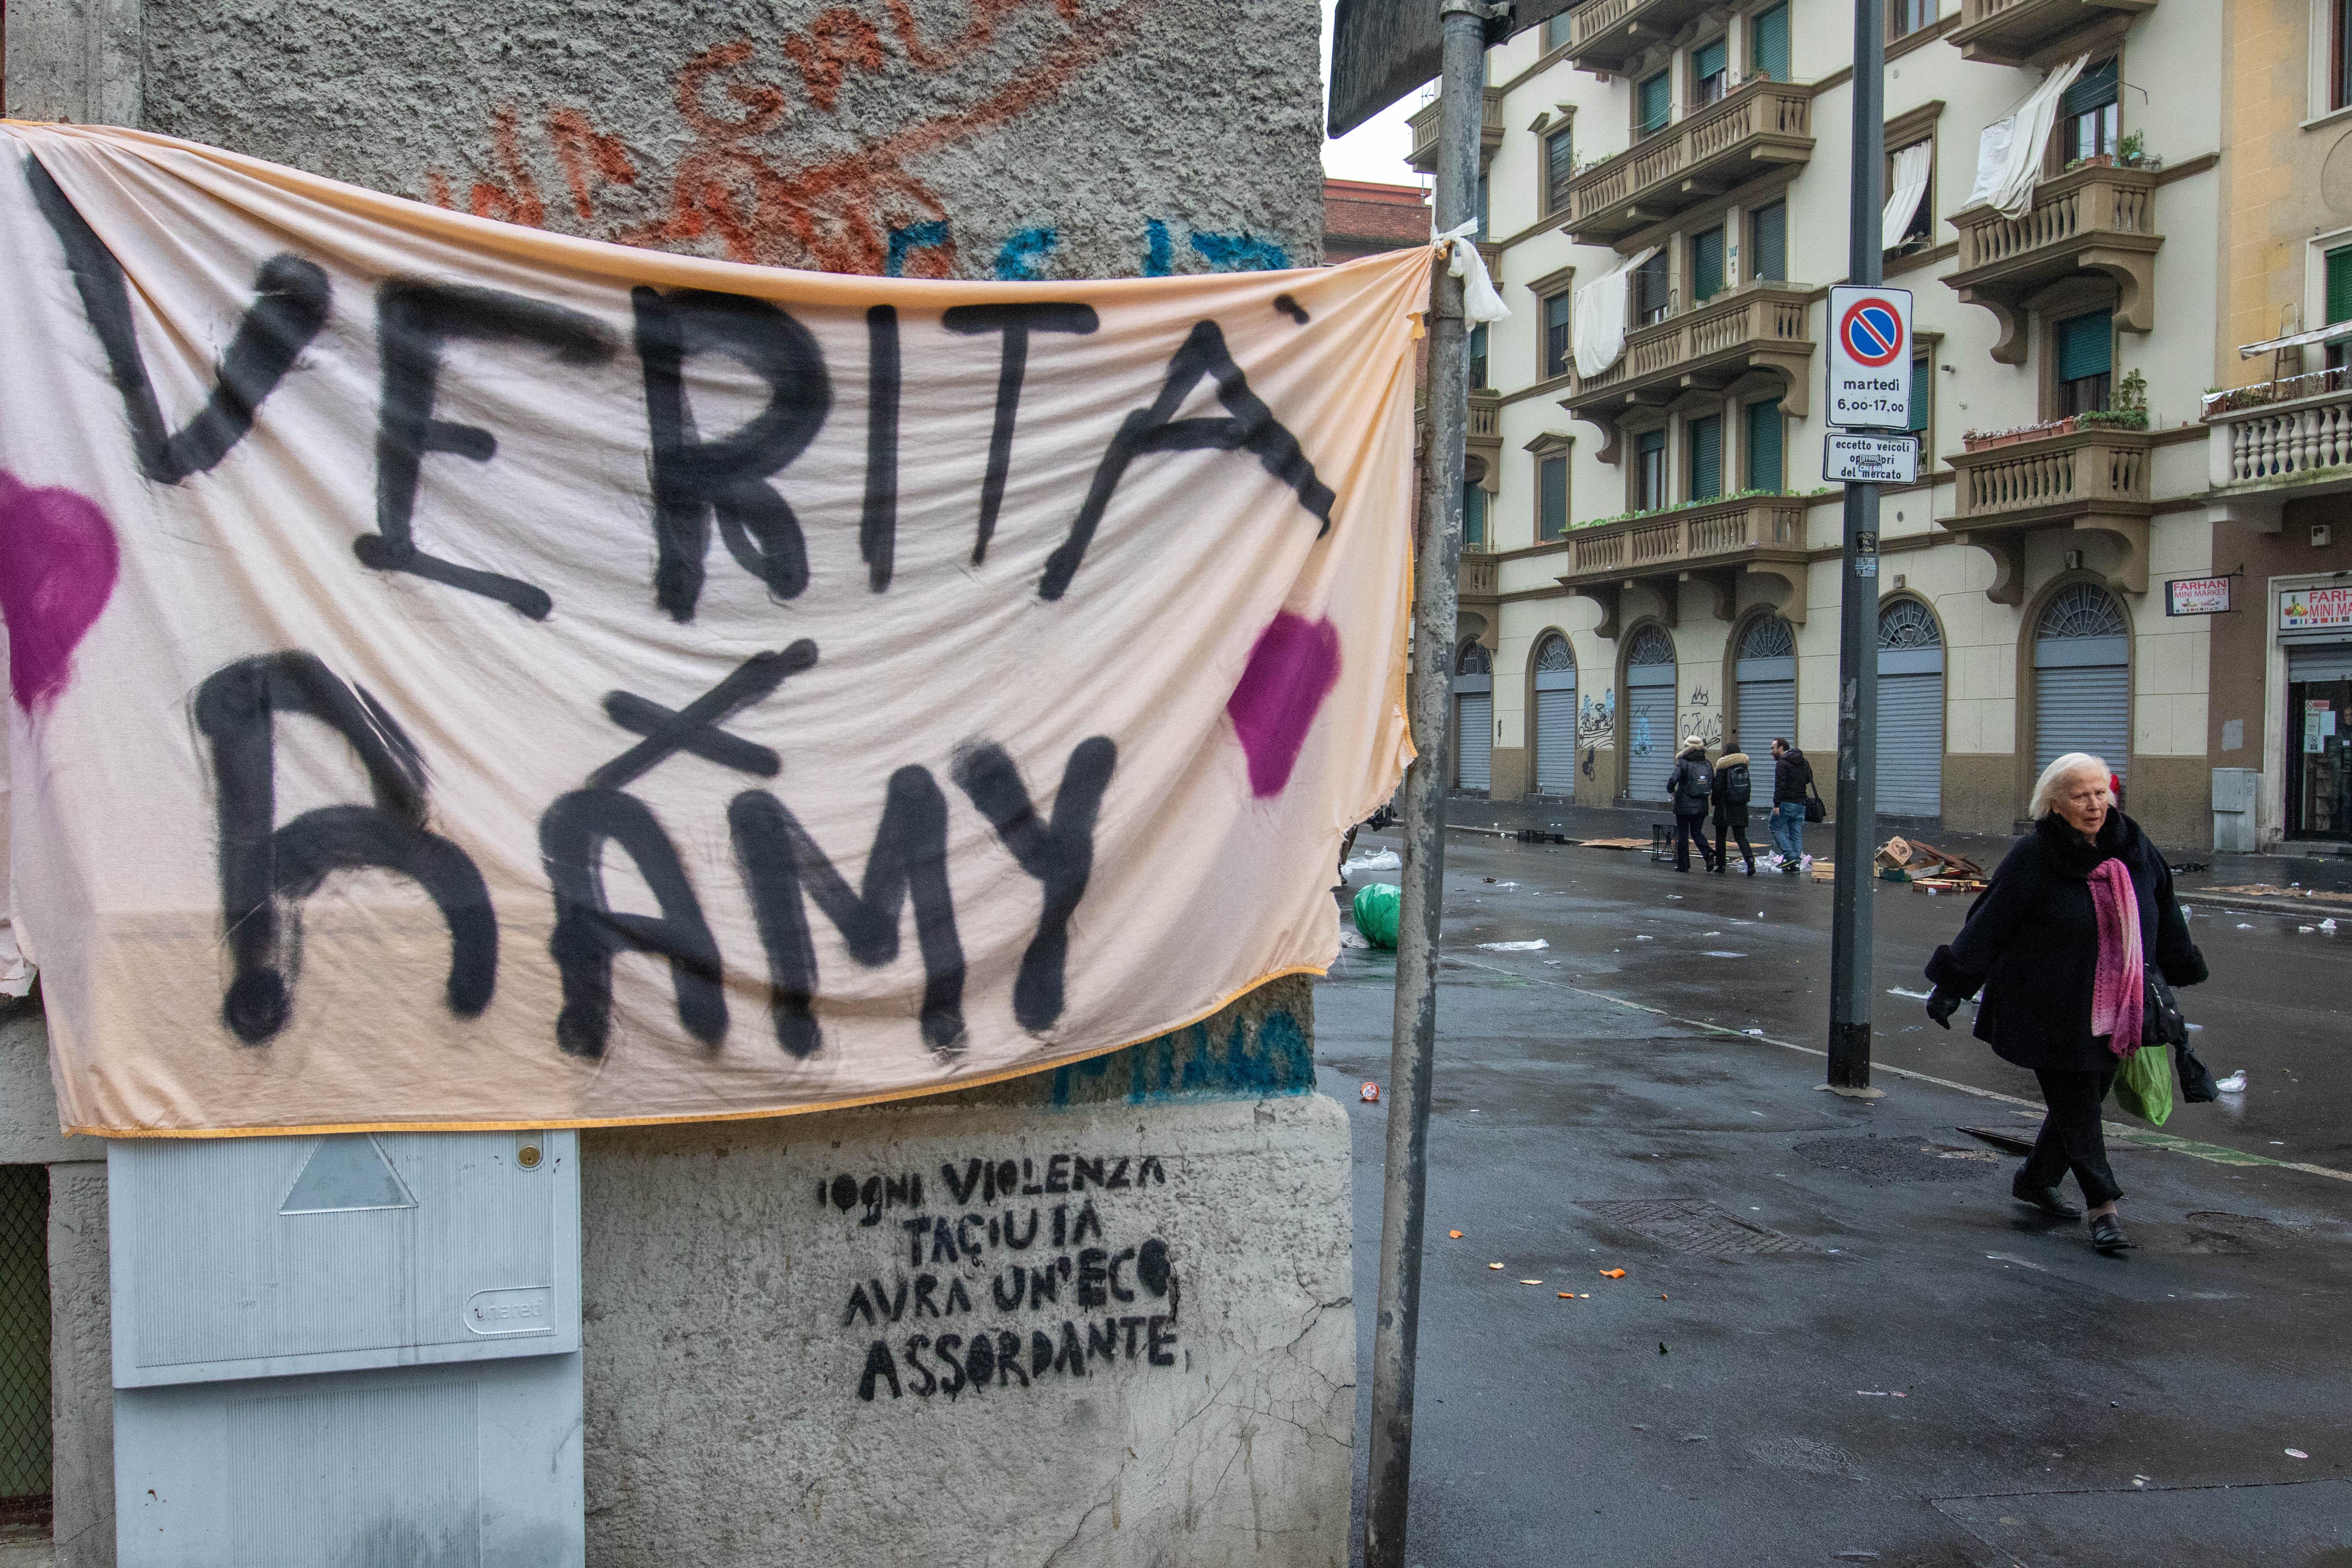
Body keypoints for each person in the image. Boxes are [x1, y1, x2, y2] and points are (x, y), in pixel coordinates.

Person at [1921, 753, 2206, 1253]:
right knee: (2077, 1102)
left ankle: (2036, 1177)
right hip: (2047, 1004)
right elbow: (1992, 920)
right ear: (2055, 804)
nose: (2095, 804)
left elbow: (2162, 907)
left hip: (2119, 1001)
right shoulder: (2035, 854)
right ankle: (2105, 1208)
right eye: (2081, 795)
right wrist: (1952, 985)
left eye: (2101, 793)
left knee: (2088, 1094)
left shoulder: (2134, 846)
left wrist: (2178, 966)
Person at [1665, 737, 1717, 873]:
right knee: (1696, 832)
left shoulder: (1682, 762)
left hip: (1683, 804)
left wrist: (1672, 791)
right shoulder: (1707, 763)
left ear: (1686, 748)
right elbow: (1713, 784)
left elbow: (1673, 780)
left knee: (1683, 834)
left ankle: (1683, 865)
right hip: (1701, 804)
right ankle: (1708, 853)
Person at [1710, 736, 1757, 875]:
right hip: (1741, 806)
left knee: (1721, 836)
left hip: (1724, 806)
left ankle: (1721, 865)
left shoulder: (1722, 767)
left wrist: (1714, 801)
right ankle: (1750, 860)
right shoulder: (1743, 767)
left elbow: (1717, 788)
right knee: (1740, 836)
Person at [1768, 738, 1811, 872]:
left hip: (1787, 803)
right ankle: (1795, 863)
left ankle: (1791, 856)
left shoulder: (1782, 763)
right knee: (1796, 832)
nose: (1772, 752)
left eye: (1773, 748)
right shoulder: (1803, 761)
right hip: (1801, 803)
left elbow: (1780, 786)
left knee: (1774, 827)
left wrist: (1776, 805)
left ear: (1781, 748)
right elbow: (1809, 778)